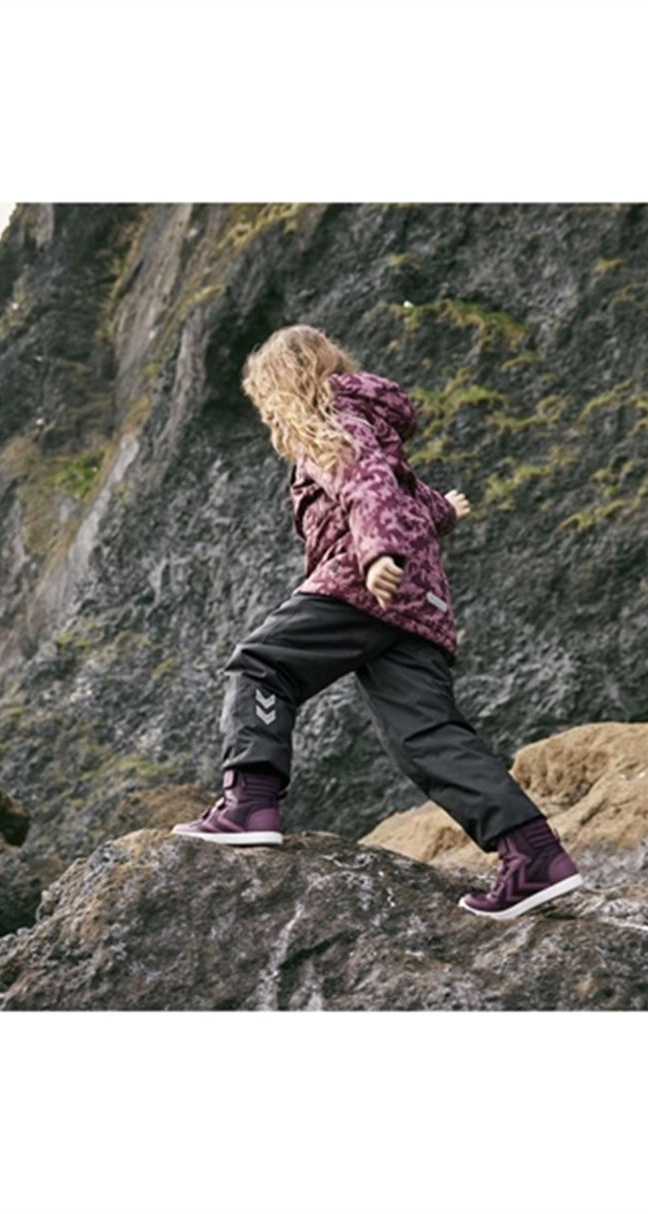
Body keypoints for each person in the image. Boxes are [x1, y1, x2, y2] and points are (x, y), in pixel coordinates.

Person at [171, 323, 582, 920]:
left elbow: (365, 485)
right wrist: (442, 511)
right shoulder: (369, 424)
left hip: (363, 584)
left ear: (285, 384)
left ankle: (249, 803)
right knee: (425, 736)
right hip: (418, 603)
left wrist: (376, 555)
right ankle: (534, 854)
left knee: (262, 664)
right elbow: (396, 494)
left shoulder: (327, 419)